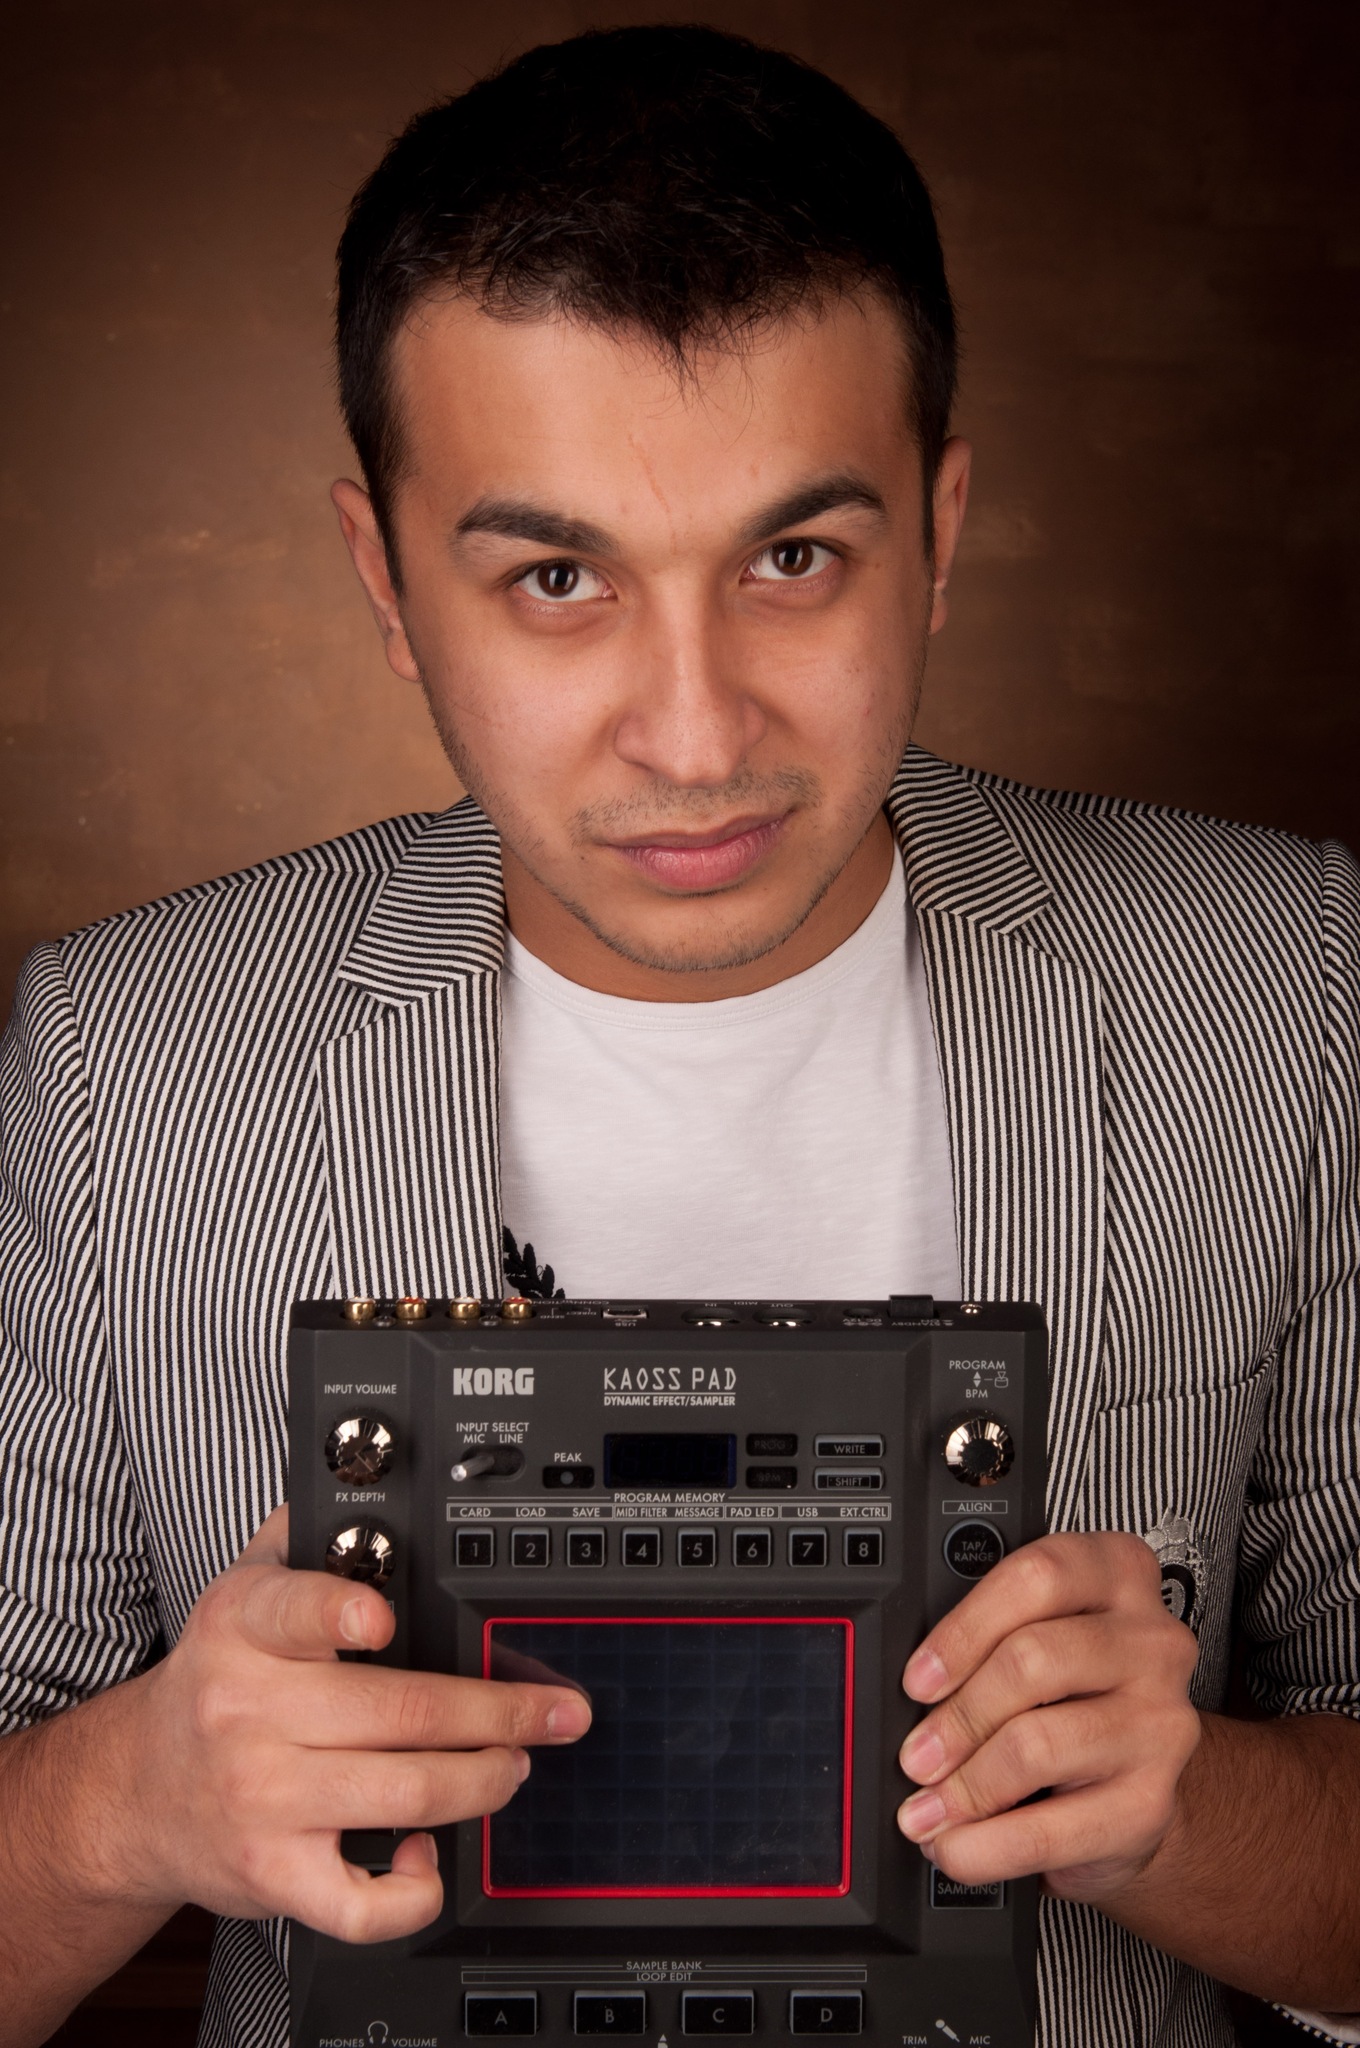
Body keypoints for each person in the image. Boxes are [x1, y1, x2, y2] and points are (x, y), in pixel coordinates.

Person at [0, 24, 1356, 2048]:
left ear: (940, 530)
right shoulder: (123, 1064)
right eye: (558, 577)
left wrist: (1191, 1813)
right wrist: (126, 1800)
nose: (696, 733)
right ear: (387, 581)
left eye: (792, 559)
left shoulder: (1283, 983)